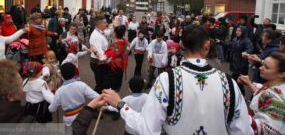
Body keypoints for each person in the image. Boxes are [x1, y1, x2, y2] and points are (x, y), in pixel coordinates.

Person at [102, 26, 253, 135]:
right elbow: (244, 131)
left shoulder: (167, 80)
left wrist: (121, 105)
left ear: (181, 45)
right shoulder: (229, 83)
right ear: (207, 46)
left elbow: (147, 129)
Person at [238, 53, 285, 134]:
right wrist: (249, 83)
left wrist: (238, 115)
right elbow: (263, 92)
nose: (260, 68)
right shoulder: (272, 85)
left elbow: (266, 129)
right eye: (262, 64)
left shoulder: (278, 100)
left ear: (282, 74)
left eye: (266, 67)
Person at [49, 62, 99, 134]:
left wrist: (50, 95)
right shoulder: (81, 85)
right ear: (74, 73)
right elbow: (96, 96)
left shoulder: (59, 91)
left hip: (69, 120)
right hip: (83, 116)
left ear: (62, 75)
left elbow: (51, 109)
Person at [101, 25, 129, 91]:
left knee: (109, 85)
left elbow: (109, 56)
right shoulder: (125, 41)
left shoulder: (114, 44)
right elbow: (125, 52)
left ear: (115, 33)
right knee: (117, 84)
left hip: (113, 66)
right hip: (120, 64)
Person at [228, 26, 254, 95]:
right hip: (235, 63)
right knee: (237, 80)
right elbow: (230, 44)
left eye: (239, 31)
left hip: (241, 64)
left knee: (238, 80)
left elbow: (250, 48)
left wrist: (246, 52)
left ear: (243, 32)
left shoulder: (246, 40)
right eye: (237, 30)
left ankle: (241, 94)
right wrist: (220, 42)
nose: (237, 32)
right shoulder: (235, 39)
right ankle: (240, 94)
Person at [89, 16, 111, 93]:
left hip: (100, 63)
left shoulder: (100, 32)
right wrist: (111, 57)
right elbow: (100, 55)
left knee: (103, 83)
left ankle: (100, 99)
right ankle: (96, 100)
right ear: (99, 24)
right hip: (98, 63)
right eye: (104, 23)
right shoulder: (95, 36)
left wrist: (113, 26)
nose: (107, 24)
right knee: (101, 84)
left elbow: (108, 33)